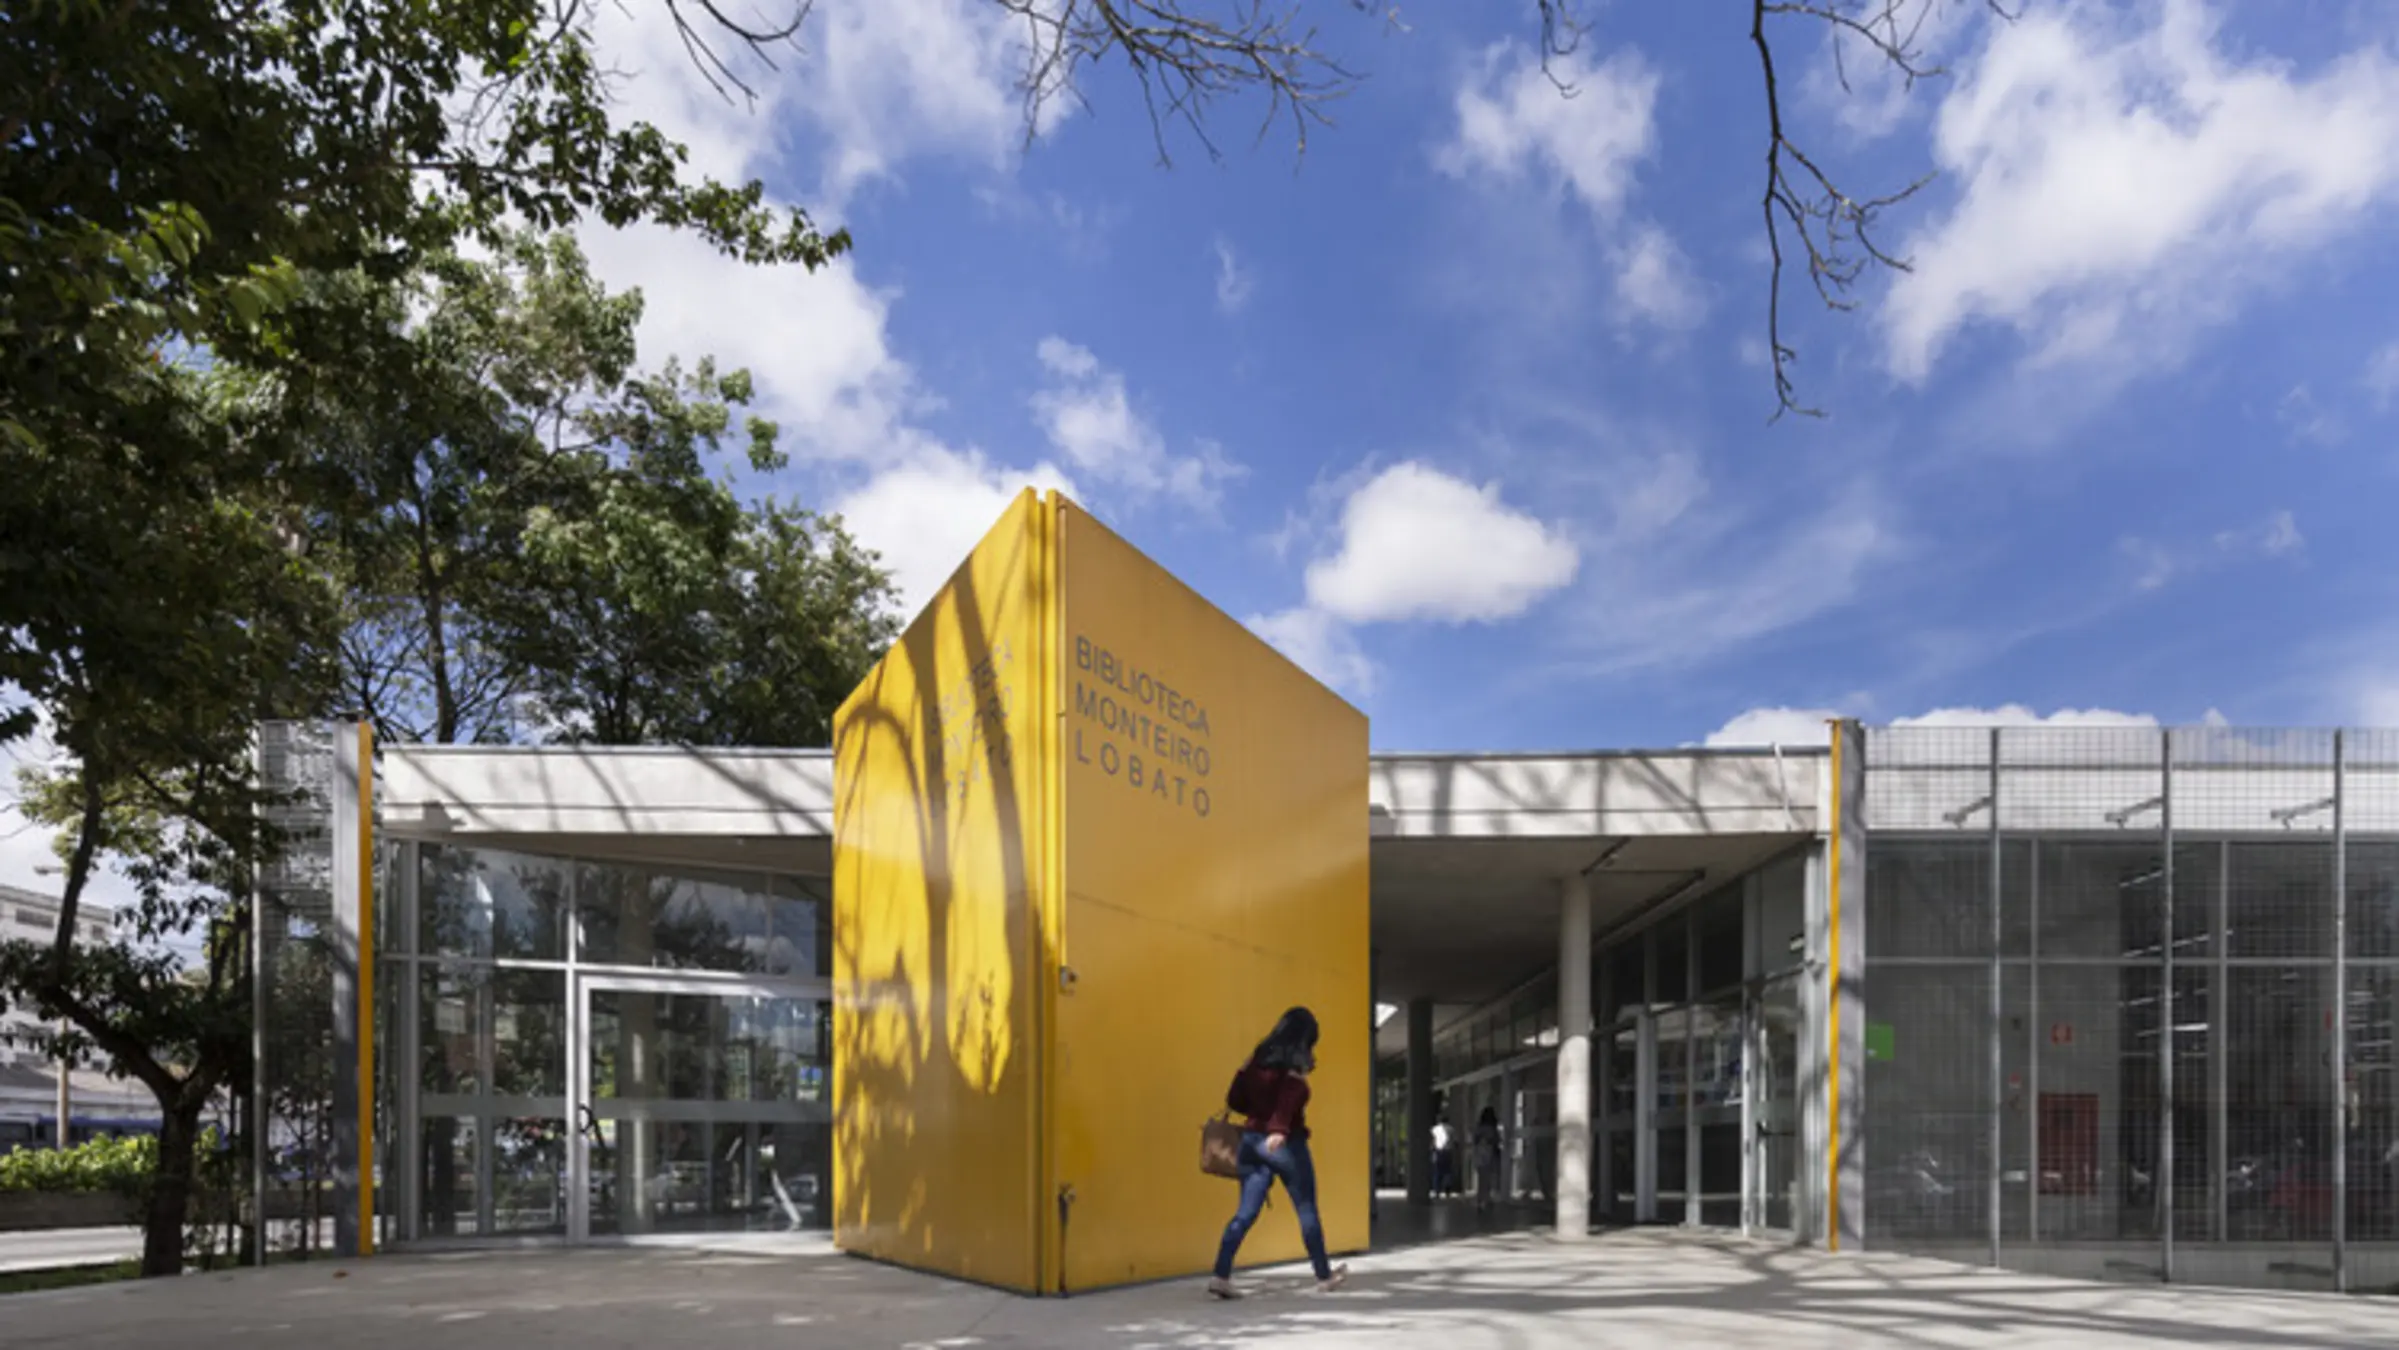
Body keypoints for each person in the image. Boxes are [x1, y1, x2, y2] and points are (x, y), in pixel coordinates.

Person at [1209, 1007, 1348, 1298]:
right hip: (1284, 1145)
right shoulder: (1294, 1063)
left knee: (1245, 1213)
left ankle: (1220, 1275)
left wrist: (1243, 1075)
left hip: (1250, 1143)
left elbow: (1235, 1100)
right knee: (1306, 1208)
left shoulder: (1257, 1058)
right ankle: (1324, 1276)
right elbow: (1289, 1097)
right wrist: (1278, 1129)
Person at [1472, 1106, 1504, 1212]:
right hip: (1490, 1154)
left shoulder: (1479, 1128)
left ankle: (1480, 1200)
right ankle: (1487, 1199)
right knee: (1489, 1178)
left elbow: (1474, 1140)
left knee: (1481, 1179)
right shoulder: (1492, 1129)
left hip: (1479, 1154)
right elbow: (1497, 1141)